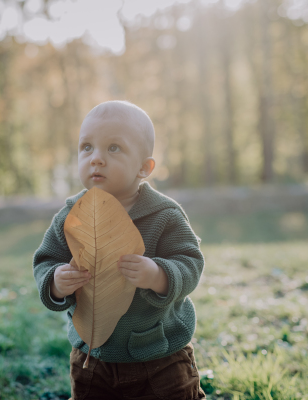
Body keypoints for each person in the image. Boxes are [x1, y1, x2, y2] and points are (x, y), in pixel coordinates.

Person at [33, 100, 205, 400]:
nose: (96, 159)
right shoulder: (71, 215)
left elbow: (190, 261)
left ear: (144, 167)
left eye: (113, 148)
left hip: (160, 356)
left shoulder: (164, 214)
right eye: (87, 147)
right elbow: (46, 260)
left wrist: (158, 274)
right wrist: (56, 282)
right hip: (92, 357)